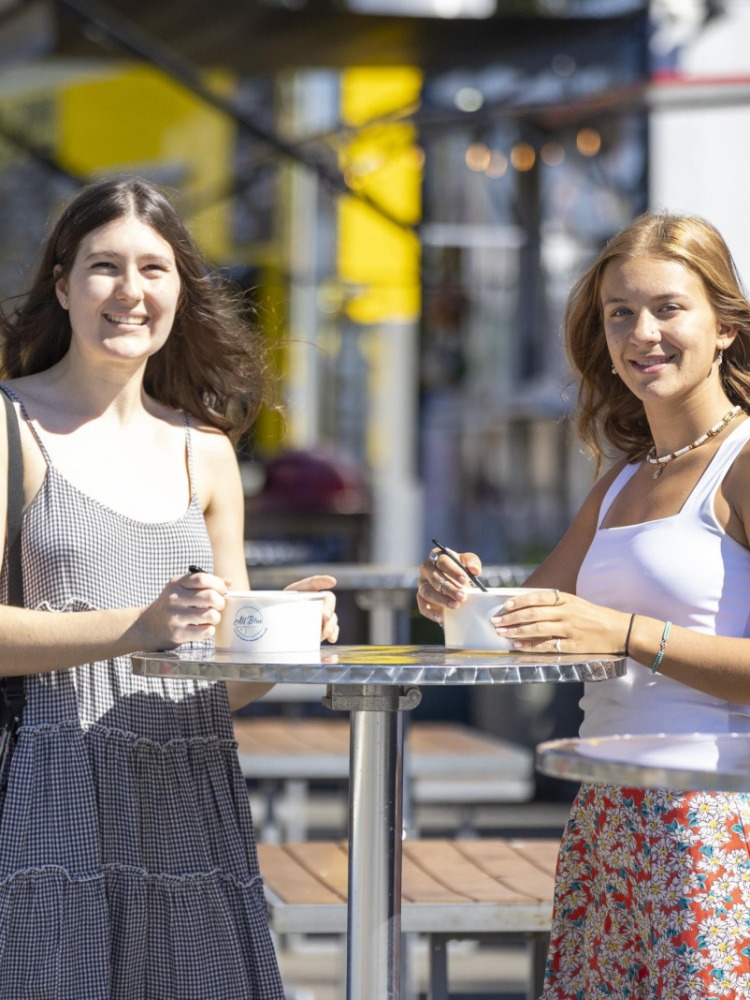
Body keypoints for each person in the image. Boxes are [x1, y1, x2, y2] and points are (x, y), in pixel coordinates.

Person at [0, 174, 339, 999]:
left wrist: (289, 638)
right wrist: (135, 627)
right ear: (63, 285)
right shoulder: (11, 427)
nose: (130, 291)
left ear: (181, 290)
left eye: (154, 269)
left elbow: (225, 682)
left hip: (189, 792)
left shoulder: (206, 451)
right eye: (104, 267)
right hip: (53, 795)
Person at [417, 212, 750, 998]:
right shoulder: (624, 481)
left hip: (714, 821)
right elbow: (522, 622)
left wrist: (626, 633)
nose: (643, 333)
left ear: (726, 328)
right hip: (608, 815)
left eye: (669, 308)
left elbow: (606, 627)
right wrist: (457, 597)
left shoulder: (742, 463)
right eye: (620, 314)